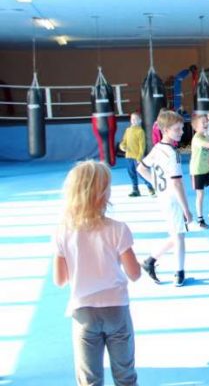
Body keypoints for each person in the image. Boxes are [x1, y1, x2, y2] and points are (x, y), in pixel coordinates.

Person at [53, 161, 140, 386]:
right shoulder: (118, 229)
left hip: (83, 312)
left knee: (89, 379)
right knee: (125, 375)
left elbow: (60, 280)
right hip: (116, 309)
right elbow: (135, 274)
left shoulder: (63, 231)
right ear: (104, 193)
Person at [137, 110, 193, 286]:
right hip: (172, 199)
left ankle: (150, 261)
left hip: (162, 197)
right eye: (177, 129)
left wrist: (156, 184)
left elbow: (142, 168)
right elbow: (177, 184)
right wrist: (186, 209)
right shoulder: (172, 154)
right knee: (179, 237)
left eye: (182, 128)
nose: (182, 132)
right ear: (166, 130)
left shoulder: (157, 148)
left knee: (177, 235)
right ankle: (179, 273)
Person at [119, 112, 155, 197]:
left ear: (140, 121)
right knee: (131, 173)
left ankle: (150, 187)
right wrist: (122, 146)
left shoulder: (140, 132)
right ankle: (135, 189)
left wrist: (139, 157)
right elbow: (123, 141)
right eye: (132, 119)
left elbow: (142, 146)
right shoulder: (128, 130)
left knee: (140, 173)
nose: (134, 121)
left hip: (137, 158)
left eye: (136, 119)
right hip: (128, 157)